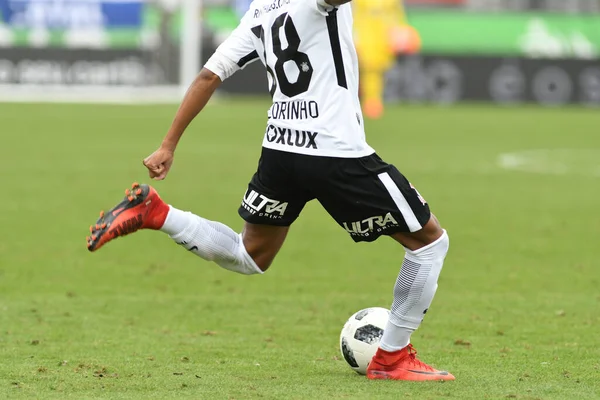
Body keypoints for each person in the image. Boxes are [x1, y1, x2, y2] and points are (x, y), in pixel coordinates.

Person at [86, 0, 454, 381]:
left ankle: (157, 213)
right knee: (429, 242)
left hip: (280, 150)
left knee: (251, 254)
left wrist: (167, 145)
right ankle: (392, 356)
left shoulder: (260, 10)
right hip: (333, 151)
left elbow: (207, 78)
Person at [353, 0, 421, 119]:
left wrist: (401, 31)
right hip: (365, 35)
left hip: (384, 35)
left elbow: (398, 15)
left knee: (379, 69)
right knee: (369, 68)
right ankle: (371, 101)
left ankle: (373, 100)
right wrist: (354, 34)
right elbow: (353, 14)